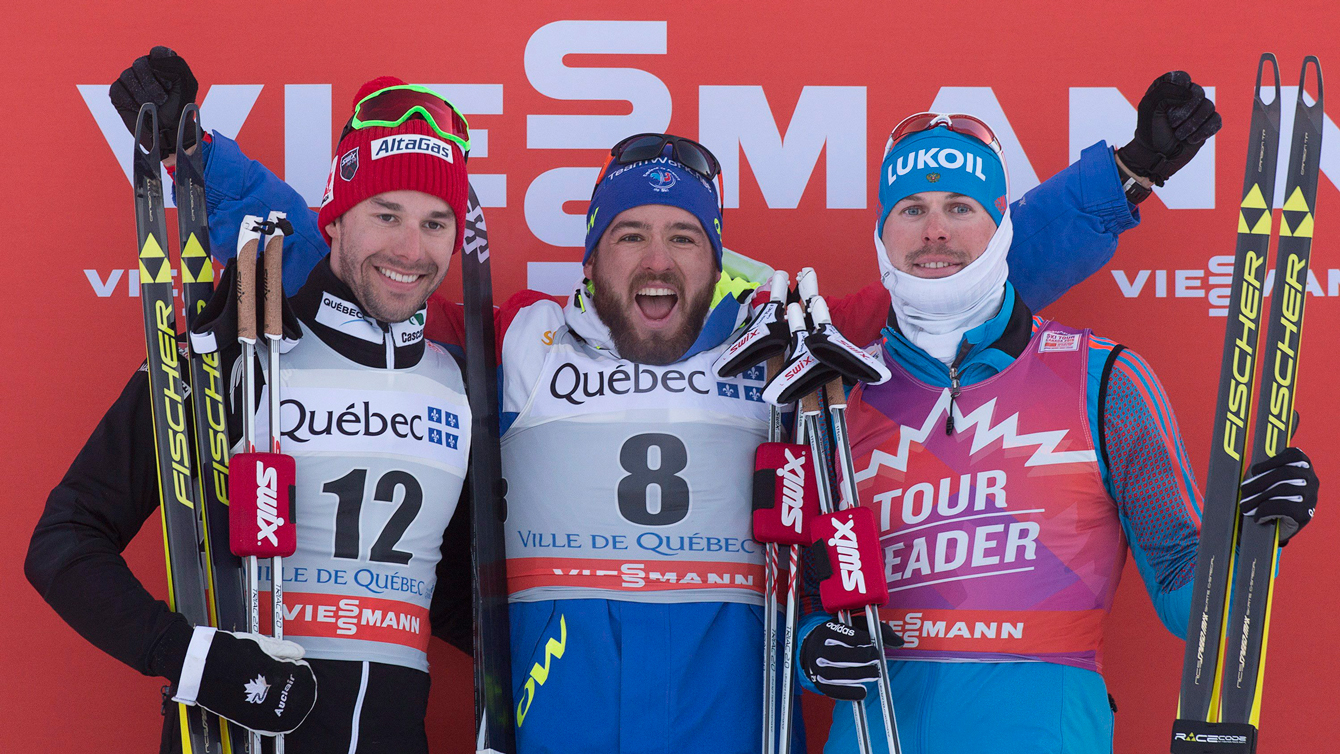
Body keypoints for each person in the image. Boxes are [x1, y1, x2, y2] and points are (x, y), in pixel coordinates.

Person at [154, 50, 1198, 751]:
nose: (655, 259)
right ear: (590, 251)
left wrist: (1124, 176)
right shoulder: (517, 332)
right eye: (628, 234)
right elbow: (343, 259)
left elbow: (948, 272)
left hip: (730, 723)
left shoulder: (774, 343)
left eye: (682, 236)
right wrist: (196, 164)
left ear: (713, 257)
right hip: (553, 719)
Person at [794, 106, 1321, 754]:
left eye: (961, 207)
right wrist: (806, 647)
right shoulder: (834, 401)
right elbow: (802, 594)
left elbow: (1192, 603)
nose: (935, 231)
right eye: (911, 209)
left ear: (1002, 226)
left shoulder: (1104, 382)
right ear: (882, 233)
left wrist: (1254, 531)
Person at [26, 57, 477, 753]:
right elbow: (63, 544)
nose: (410, 249)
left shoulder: (457, 382)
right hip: (238, 737)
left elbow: (458, 601)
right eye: (386, 215)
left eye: (436, 222)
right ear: (336, 218)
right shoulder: (230, 352)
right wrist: (193, 660)